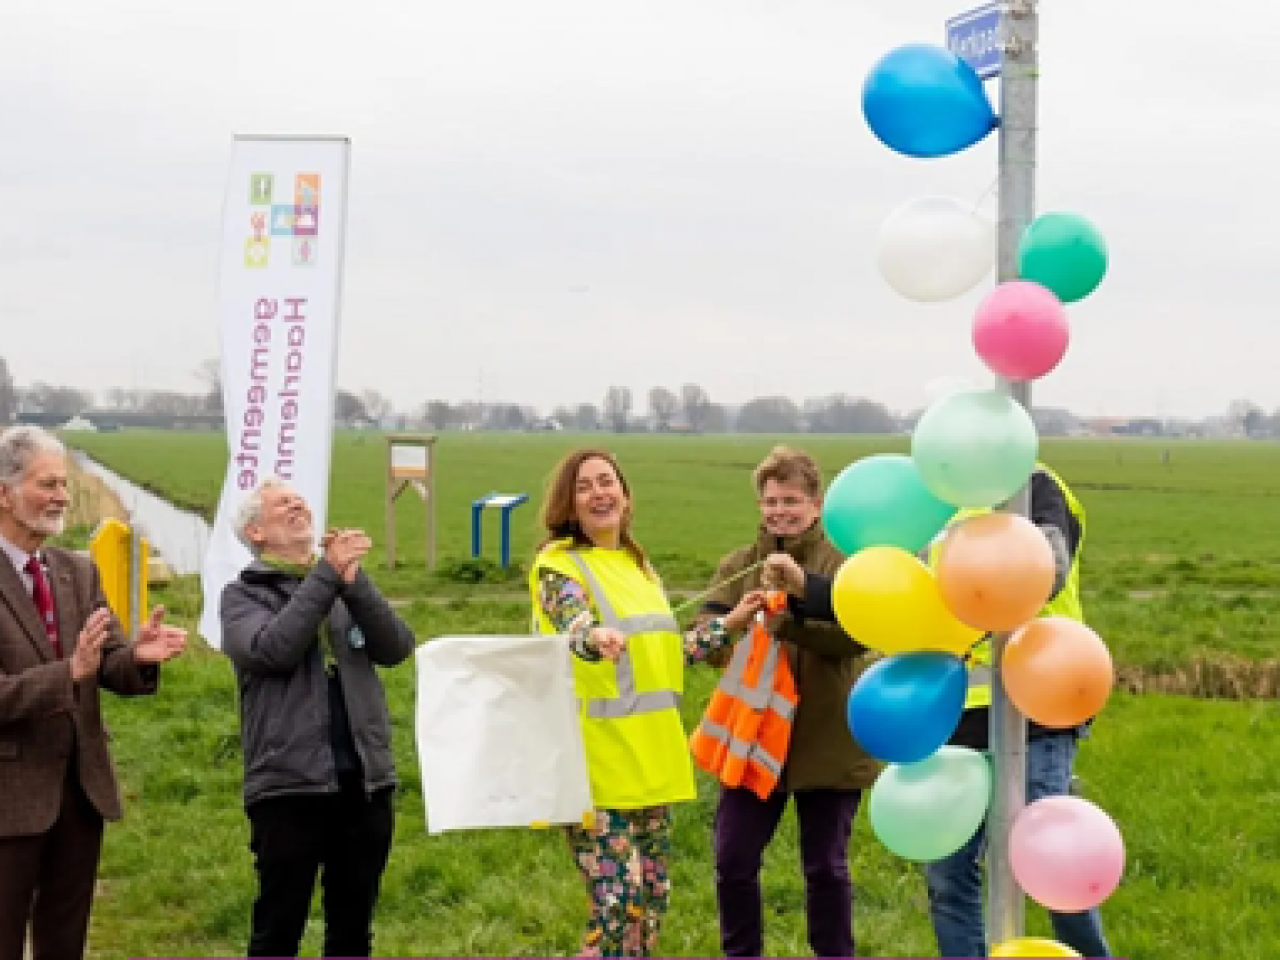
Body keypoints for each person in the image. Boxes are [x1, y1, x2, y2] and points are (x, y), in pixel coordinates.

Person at [764, 464, 1113, 959]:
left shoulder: (1033, 485)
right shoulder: (937, 510)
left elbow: (1047, 573)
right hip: (950, 711)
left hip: (1037, 706)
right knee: (949, 874)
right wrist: (809, 590)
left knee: (1054, 868)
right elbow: (904, 601)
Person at [529, 448, 764, 958]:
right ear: (568, 502)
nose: (599, 493)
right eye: (585, 485)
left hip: (652, 763)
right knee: (618, 906)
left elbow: (666, 655)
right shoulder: (557, 567)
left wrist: (731, 623)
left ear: (626, 496)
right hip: (598, 768)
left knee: (652, 902)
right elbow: (572, 624)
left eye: (607, 482)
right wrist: (593, 637)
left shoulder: (639, 568)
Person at [0, 425, 187, 960]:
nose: (60, 495)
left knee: (65, 939)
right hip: (9, 796)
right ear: (3, 492)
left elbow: (109, 666)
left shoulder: (77, 572)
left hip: (79, 792)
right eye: (46, 484)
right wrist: (69, 672)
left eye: (63, 483)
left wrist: (139, 658)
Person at [220, 477, 416, 958]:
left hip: (364, 783)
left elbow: (396, 647)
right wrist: (326, 576)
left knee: (352, 932)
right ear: (256, 532)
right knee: (278, 931)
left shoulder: (338, 585)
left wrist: (355, 583)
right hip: (290, 785)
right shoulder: (241, 597)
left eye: (300, 500)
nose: (297, 506)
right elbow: (274, 650)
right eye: (282, 503)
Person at [694, 446, 878, 958]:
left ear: (816, 504)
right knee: (733, 859)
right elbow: (702, 639)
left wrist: (792, 619)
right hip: (753, 740)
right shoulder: (739, 565)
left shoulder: (841, 563)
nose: (780, 511)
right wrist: (733, 625)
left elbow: (858, 634)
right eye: (770, 501)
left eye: (791, 500)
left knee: (825, 867)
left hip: (828, 738)